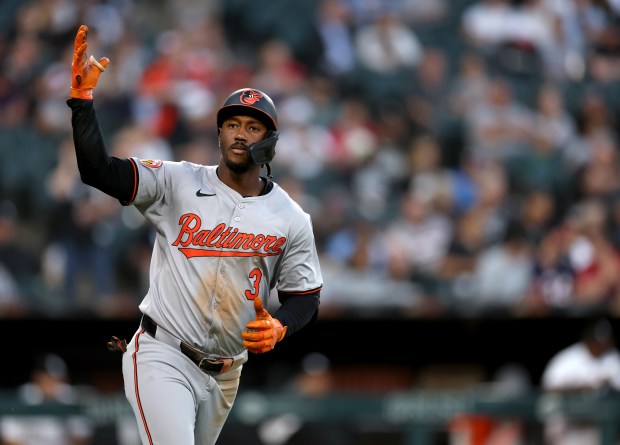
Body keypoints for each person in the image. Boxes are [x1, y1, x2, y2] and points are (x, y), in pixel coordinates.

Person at [66, 25, 323, 445]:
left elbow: (305, 296)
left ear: (270, 141)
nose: (240, 133)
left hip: (225, 372)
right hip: (162, 352)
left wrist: (280, 327)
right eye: (232, 124)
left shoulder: (291, 217)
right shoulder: (177, 182)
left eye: (253, 127)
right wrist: (82, 104)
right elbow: (98, 171)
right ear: (219, 133)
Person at [540, 318, 620, 445]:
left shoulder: (612, 357)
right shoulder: (568, 359)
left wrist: (608, 386)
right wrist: (582, 388)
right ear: (588, 340)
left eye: (606, 342)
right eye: (598, 342)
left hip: (598, 425)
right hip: (570, 426)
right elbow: (547, 388)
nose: (602, 346)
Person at [0, 353, 94, 445]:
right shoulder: (22, 397)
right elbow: (9, 439)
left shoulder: (70, 398)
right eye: (46, 378)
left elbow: (81, 438)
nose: (51, 384)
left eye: (56, 379)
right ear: (36, 378)